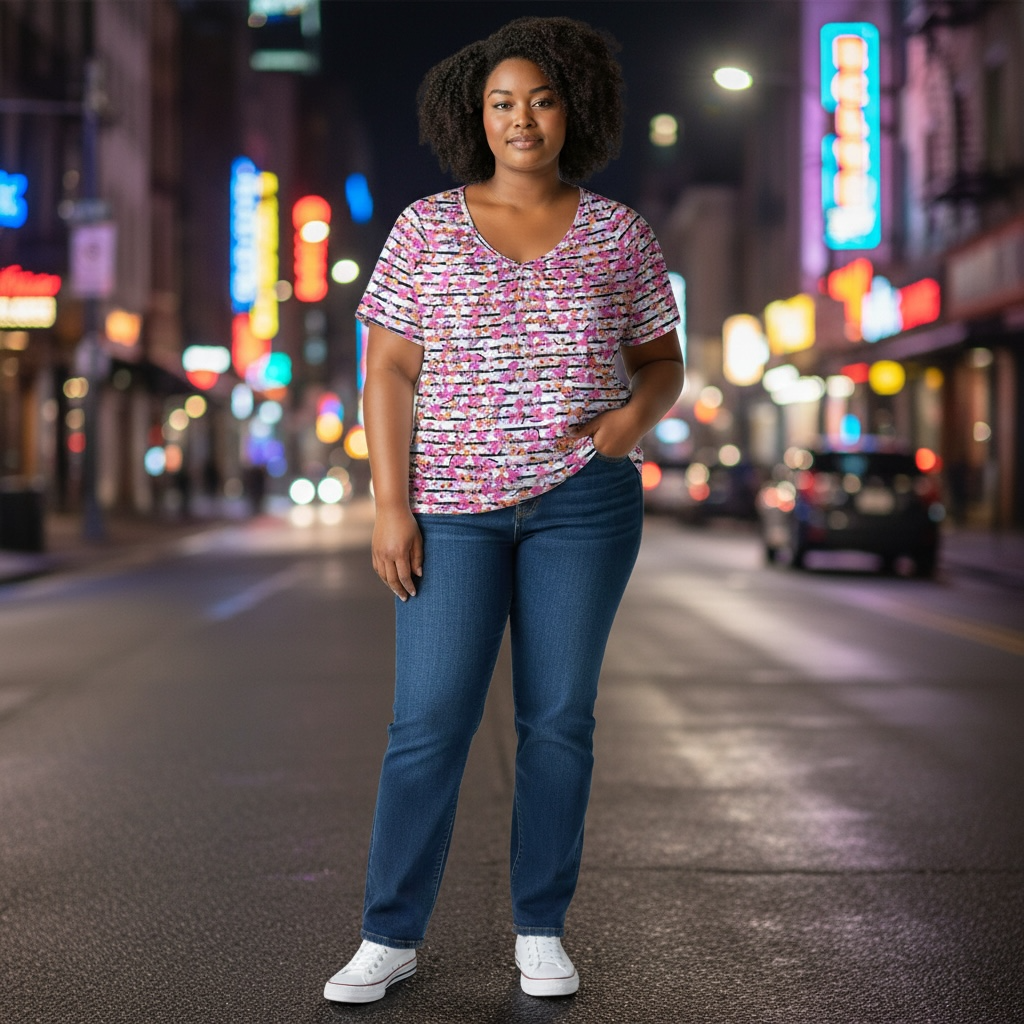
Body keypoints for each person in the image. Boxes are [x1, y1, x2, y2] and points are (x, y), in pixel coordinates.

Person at [323, 15, 685, 1005]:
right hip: (449, 509)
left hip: (584, 506)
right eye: (500, 102)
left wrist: (630, 419)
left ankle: (540, 925)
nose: (521, 118)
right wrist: (390, 504)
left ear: (574, 109)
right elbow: (389, 370)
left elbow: (662, 361)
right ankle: (388, 933)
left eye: (540, 99)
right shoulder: (424, 227)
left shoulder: (619, 233)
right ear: (472, 117)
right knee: (428, 722)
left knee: (558, 720)